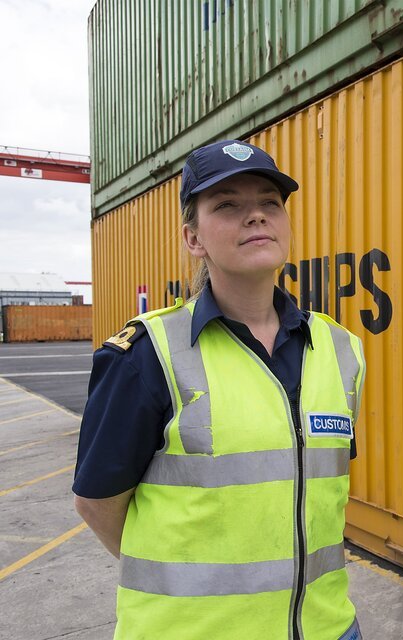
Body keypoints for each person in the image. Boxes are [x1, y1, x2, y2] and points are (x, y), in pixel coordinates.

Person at [73, 140, 365, 640]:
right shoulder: (147, 355)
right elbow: (98, 503)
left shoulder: (340, 350)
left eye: (269, 202)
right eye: (227, 205)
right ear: (193, 238)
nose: (255, 216)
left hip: (326, 629)